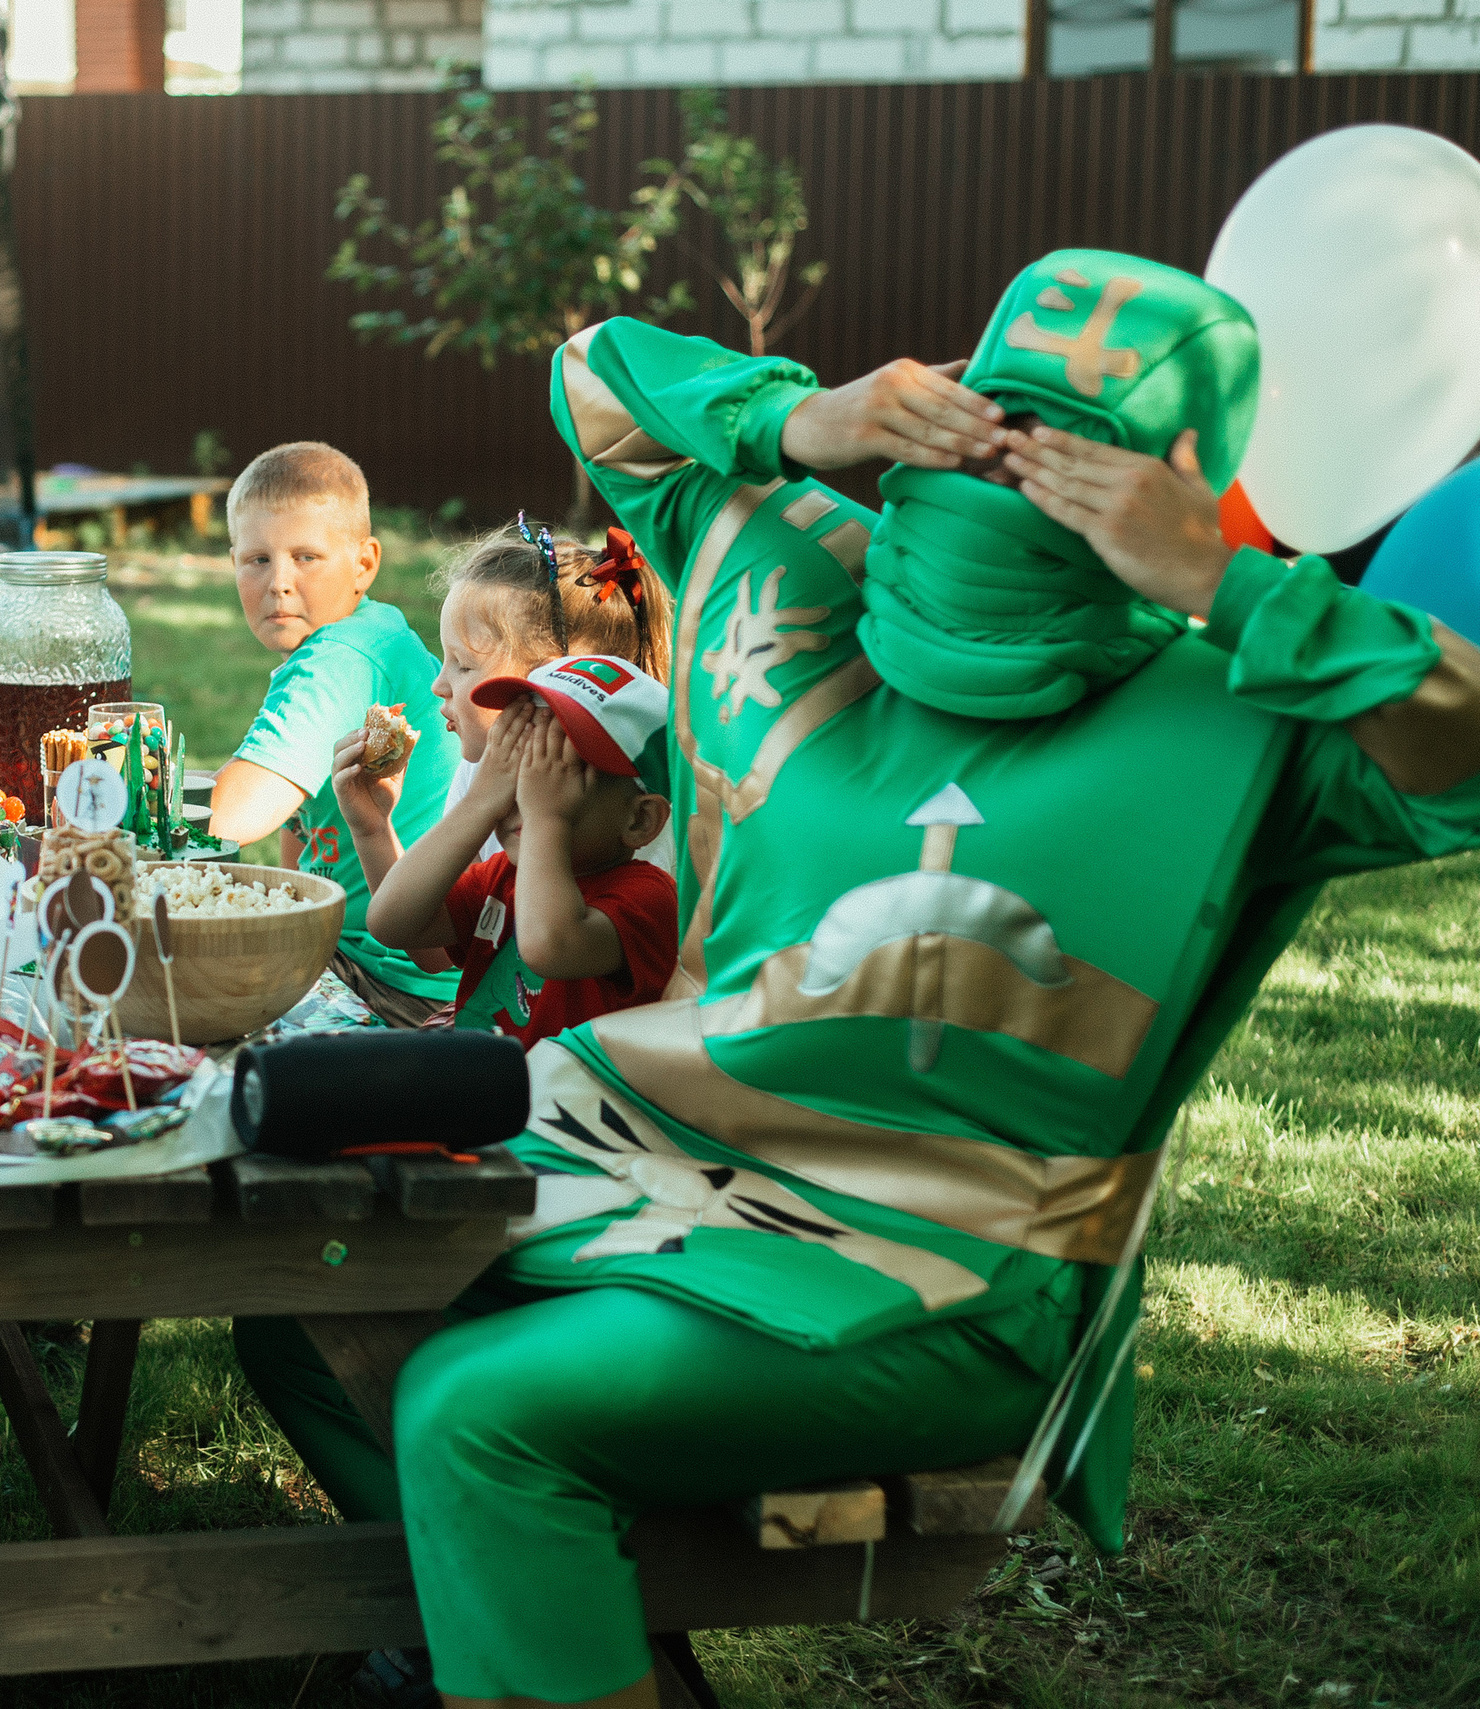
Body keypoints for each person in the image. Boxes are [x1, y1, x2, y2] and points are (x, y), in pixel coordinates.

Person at [254, 249, 1480, 1709]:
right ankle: (510, 1609)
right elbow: (595, 375)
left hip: (945, 1267)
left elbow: (1460, 739)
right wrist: (804, 417)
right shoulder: (813, 581)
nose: (1004, 487)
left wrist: (1226, 584)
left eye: (1061, 466)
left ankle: (517, 1590)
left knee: (477, 1411)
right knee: (290, 1286)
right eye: (986, 434)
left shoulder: (1242, 720)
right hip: (645, 1149)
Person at [207, 442, 460, 1027]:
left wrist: (129, 800)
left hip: (401, 986)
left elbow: (231, 818)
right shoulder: (371, 631)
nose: (280, 583)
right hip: (366, 957)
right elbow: (298, 853)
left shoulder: (341, 657)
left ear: (364, 564)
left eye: (306, 557)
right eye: (258, 560)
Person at [363, 658, 678, 1044]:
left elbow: (548, 946)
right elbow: (391, 922)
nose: (523, 793)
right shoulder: (499, 878)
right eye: (511, 764)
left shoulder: (649, 898)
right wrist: (479, 800)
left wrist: (547, 817)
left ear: (640, 820)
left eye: (554, 772)